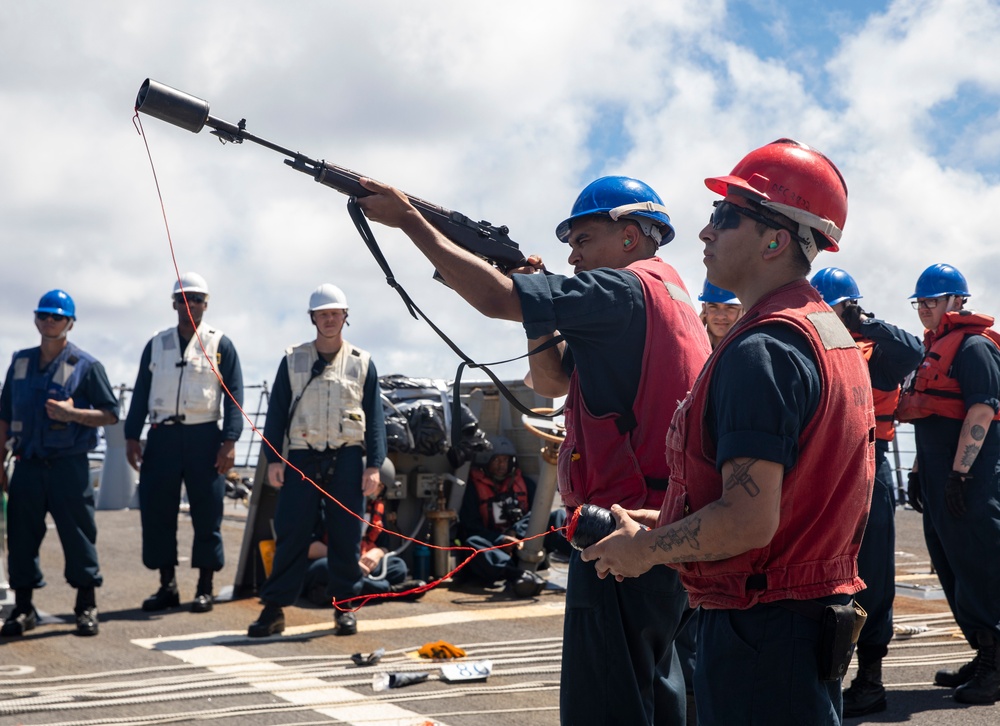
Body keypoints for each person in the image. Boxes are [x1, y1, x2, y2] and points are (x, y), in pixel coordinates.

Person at [356, 174, 711, 725]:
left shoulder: (622, 290)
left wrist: (409, 221)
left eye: (583, 238)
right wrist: (541, 310)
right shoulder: (669, 296)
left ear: (632, 235)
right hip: (662, 525)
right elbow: (550, 380)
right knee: (657, 691)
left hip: (618, 531)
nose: (571, 256)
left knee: (607, 703)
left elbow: (496, 299)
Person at [582, 139, 876, 725]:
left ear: (776, 239)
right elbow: (788, 501)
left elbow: (748, 520)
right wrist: (663, 521)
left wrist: (645, 551)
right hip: (803, 623)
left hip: (760, 633)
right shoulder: (823, 333)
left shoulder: (762, 351)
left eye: (726, 216)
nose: (705, 232)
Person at [811, 266, 923, 716]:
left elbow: (913, 351)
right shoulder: (806, 345)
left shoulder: (877, 352)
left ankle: (871, 679)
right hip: (823, 472)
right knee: (822, 573)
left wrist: (864, 322)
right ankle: (828, 672)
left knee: (873, 575)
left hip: (870, 471)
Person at [248, 283, 387, 638]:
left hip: (347, 457)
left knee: (346, 536)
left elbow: (374, 417)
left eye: (334, 313)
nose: (329, 319)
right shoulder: (293, 360)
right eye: (322, 314)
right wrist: (274, 460)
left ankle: (345, 609)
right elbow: (276, 413)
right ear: (313, 318)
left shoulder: (362, 363)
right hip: (301, 457)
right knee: (292, 532)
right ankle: (274, 609)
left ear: (345, 317)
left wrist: (374, 465)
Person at [896, 263, 1000, 705]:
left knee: (982, 570)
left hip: (970, 485)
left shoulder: (974, 348)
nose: (925, 309)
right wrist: (920, 470)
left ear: (958, 301)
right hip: (941, 480)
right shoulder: (934, 348)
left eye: (932, 301)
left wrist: (960, 475)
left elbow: (981, 413)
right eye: (920, 302)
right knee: (952, 567)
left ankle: (995, 666)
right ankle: (983, 652)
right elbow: (932, 415)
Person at [0, 290, 119, 637]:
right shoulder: (19, 362)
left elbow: (110, 415)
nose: (49, 321)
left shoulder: (87, 366)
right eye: (43, 315)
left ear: (70, 322)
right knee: (20, 537)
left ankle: (86, 606)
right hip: (27, 465)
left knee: (79, 535)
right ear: (36, 319)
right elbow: (4, 417)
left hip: (69, 466)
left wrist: (73, 414)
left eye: (56, 316)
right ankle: (23, 610)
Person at [124, 272, 244, 614]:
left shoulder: (221, 344)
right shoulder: (156, 344)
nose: (189, 304)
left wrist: (230, 440)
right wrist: (132, 435)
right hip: (161, 437)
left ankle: (204, 587)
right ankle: (167, 586)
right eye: (182, 299)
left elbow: (234, 396)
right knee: (158, 512)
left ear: (206, 304)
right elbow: (140, 393)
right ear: (173, 304)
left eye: (196, 299)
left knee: (208, 513)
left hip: (204, 437)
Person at [457, 435, 571, 597]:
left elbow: (538, 513)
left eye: (505, 460)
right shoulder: (472, 490)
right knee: (472, 543)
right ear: (486, 462)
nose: (501, 465)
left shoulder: (526, 484)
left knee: (558, 516)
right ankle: (517, 576)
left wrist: (516, 532)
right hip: (496, 546)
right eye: (497, 460)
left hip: (525, 540)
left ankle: (584, 559)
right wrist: (500, 540)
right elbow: (469, 526)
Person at [301, 459, 425, 604]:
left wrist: (377, 554)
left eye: (379, 486)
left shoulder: (376, 510)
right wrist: (349, 561)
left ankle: (336, 594)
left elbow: (383, 546)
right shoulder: (326, 503)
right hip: (332, 560)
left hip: (363, 563)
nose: (373, 489)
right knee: (324, 569)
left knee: (398, 568)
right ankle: (390, 591)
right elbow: (309, 548)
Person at [698, 280, 744, 348]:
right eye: (713, 307)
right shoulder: (689, 348)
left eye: (730, 307)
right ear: (704, 309)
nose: (720, 316)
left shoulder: (754, 349)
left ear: (744, 311)